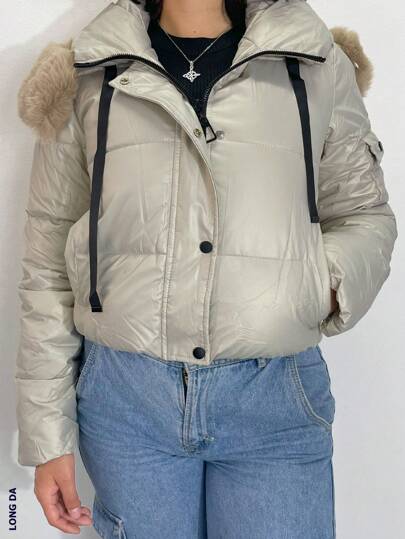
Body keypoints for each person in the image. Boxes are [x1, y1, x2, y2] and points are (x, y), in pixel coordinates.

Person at [15, 0, 397, 537]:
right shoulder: (87, 70)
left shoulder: (313, 62)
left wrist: (315, 287)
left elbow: (363, 213)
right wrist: (46, 436)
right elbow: (48, 261)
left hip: (274, 397)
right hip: (127, 403)